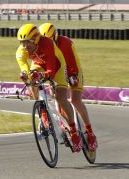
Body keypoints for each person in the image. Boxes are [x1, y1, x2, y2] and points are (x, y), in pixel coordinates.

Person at [16, 24, 82, 152]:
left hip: (57, 66)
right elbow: (24, 68)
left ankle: (74, 130)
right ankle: (43, 112)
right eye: (22, 43)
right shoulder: (21, 51)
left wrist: (43, 75)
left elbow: (51, 70)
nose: (25, 46)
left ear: (35, 39)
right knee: (32, 82)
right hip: (39, 64)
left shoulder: (47, 43)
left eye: (27, 42)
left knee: (60, 98)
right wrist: (26, 76)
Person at [39, 22, 97, 152]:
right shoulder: (42, 45)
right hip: (58, 71)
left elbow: (73, 61)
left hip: (73, 70)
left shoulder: (65, 43)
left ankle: (90, 132)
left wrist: (74, 76)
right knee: (59, 97)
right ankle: (69, 127)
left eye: (49, 40)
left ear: (55, 36)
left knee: (76, 100)